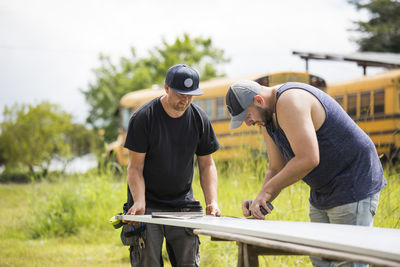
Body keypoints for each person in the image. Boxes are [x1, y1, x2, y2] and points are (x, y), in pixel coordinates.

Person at [225, 80, 387, 267]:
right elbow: (276, 168)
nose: (248, 123)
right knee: (320, 258)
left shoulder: (290, 101)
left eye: (246, 116)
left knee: (347, 260)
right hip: (322, 188)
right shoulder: (267, 118)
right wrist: (260, 200)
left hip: (352, 180)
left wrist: (267, 190)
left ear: (259, 100)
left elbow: (308, 159)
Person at [122, 64, 221, 267]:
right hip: (147, 205)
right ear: (166, 88)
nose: (185, 100)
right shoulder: (143, 118)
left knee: (188, 262)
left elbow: (207, 165)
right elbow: (134, 168)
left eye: (190, 95)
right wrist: (139, 202)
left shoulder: (199, 119)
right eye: (180, 94)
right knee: (147, 262)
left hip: (183, 205)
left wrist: (212, 201)